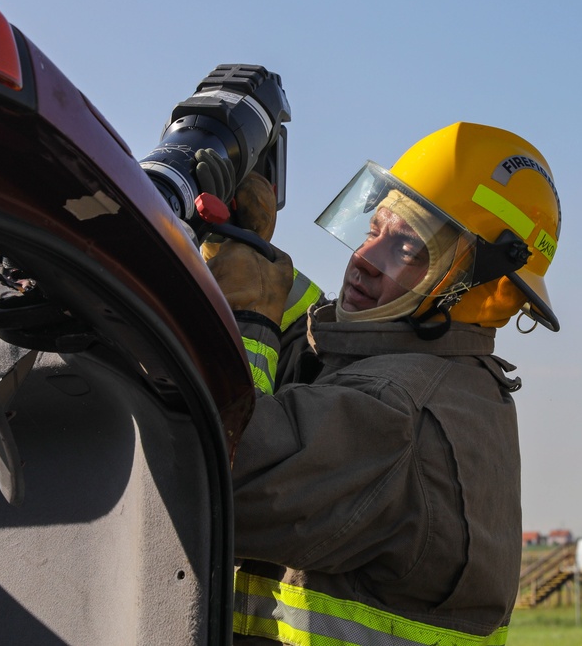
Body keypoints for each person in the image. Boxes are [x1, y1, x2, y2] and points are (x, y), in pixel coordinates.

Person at [198, 122, 562, 646]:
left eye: (409, 247)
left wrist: (249, 317)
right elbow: (315, 340)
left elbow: (215, 480)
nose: (365, 258)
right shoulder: (426, 372)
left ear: (477, 289)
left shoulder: (398, 411)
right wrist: (247, 247)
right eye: (374, 229)